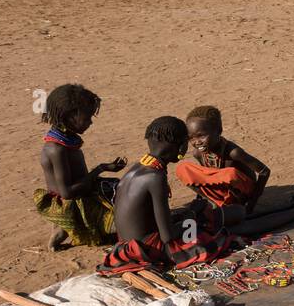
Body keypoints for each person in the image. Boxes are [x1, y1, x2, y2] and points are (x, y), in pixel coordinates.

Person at [97, 116, 238, 275]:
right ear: (179, 146)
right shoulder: (155, 177)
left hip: (128, 244)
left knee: (194, 215)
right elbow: (167, 236)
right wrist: (192, 215)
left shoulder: (138, 167)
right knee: (212, 224)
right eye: (186, 142)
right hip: (151, 249)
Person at [175, 105, 294, 234]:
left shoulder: (233, 152)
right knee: (183, 169)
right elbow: (207, 176)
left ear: (218, 131)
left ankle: (231, 206)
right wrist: (204, 201)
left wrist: (252, 202)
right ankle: (216, 203)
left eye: (201, 136)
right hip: (223, 192)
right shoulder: (198, 153)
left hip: (242, 192)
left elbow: (264, 171)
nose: (196, 142)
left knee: (230, 174)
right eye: (191, 138)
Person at [35, 84, 124, 250]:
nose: (90, 122)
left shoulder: (67, 139)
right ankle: (65, 228)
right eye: (87, 117)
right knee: (131, 224)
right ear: (70, 116)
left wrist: (103, 169)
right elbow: (67, 193)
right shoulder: (56, 149)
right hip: (74, 204)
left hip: (83, 192)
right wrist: (99, 169)